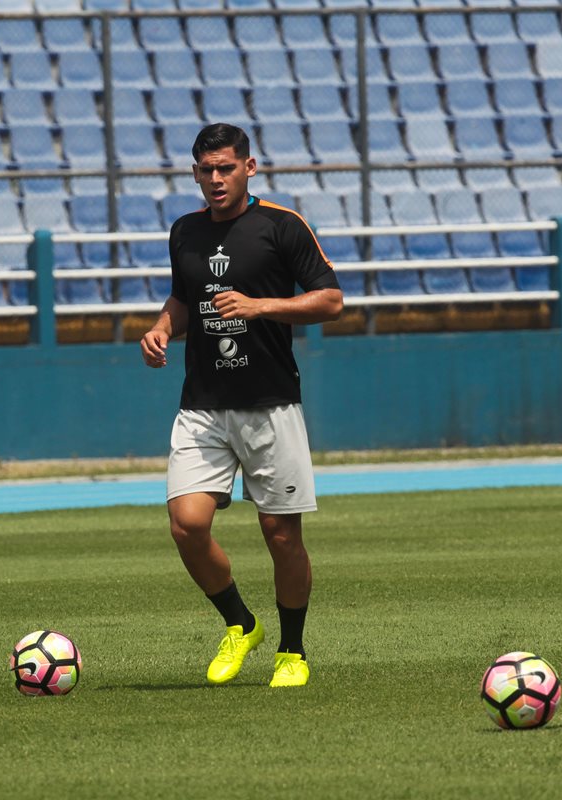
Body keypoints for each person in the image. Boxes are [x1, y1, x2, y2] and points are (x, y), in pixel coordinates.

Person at [139, 123, 343, 688]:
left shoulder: (281, 225)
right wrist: (161, 327)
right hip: (203, 403)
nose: (215, 179)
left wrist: (260, 307)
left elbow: (331, 299)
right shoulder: (184, 231)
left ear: (249, 168)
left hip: (269, 403)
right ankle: (240, 622)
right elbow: (184, 297)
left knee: (281, 535)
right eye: (205, 170)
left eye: (225, 168)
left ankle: (292, 651)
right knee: (187, 525)